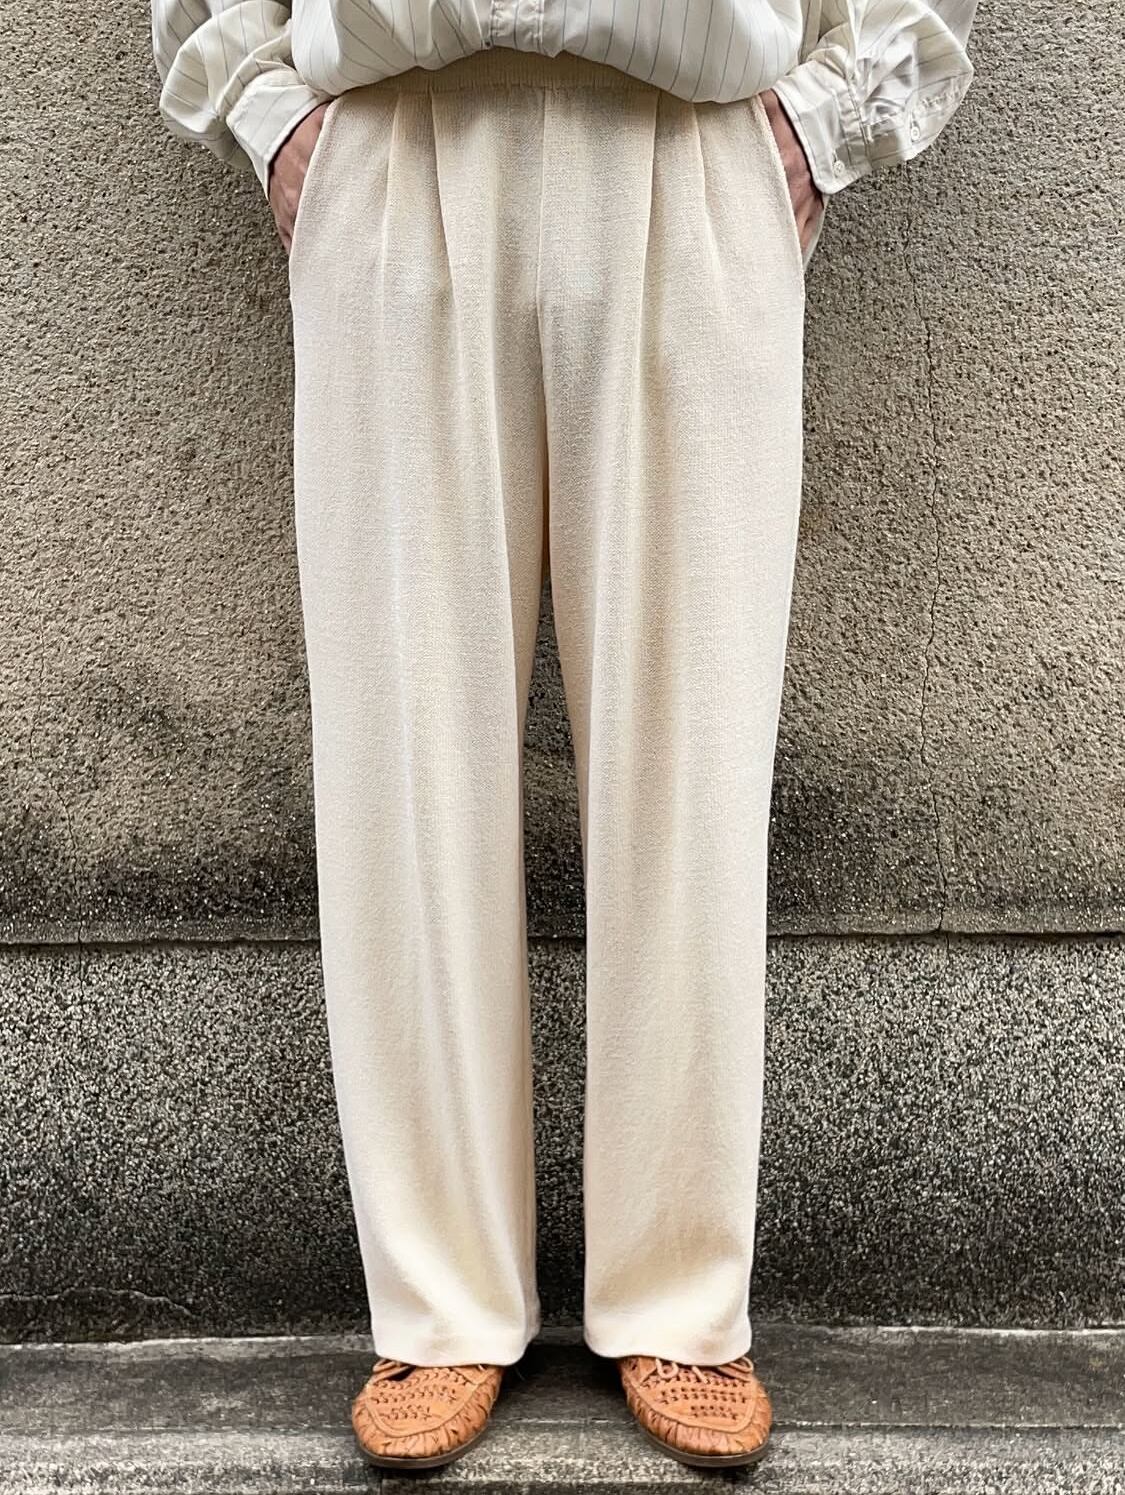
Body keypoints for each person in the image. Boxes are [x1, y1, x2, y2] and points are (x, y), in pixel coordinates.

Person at [151, 0, 979, 1472]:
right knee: (401, 751)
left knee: (693, 752)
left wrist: (823, 119)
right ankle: (440, 1300)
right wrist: (268, 112)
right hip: (392, 139)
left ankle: (679, 1297)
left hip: (695, 139)